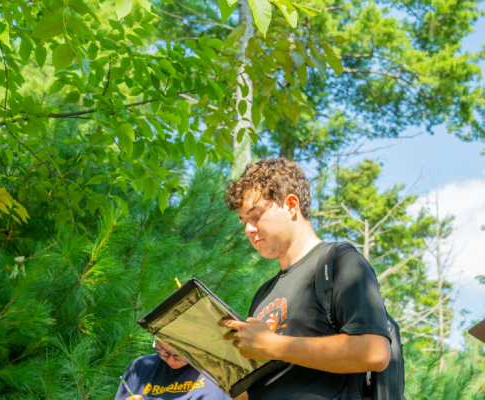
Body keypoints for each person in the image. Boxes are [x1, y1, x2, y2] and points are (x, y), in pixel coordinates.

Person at [218, 158, 394, 400]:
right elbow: (259, 388)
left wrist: (273, 345)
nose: (248, 229)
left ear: (291, 205)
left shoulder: (340, 262)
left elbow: (374, 352)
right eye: (244, 222)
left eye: (256, 215)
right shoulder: (263, 294)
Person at [116, 339, 233, 400]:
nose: (171, 360)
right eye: (163, 351)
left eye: (180, 355)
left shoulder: (215, 373)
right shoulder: (141, 367)